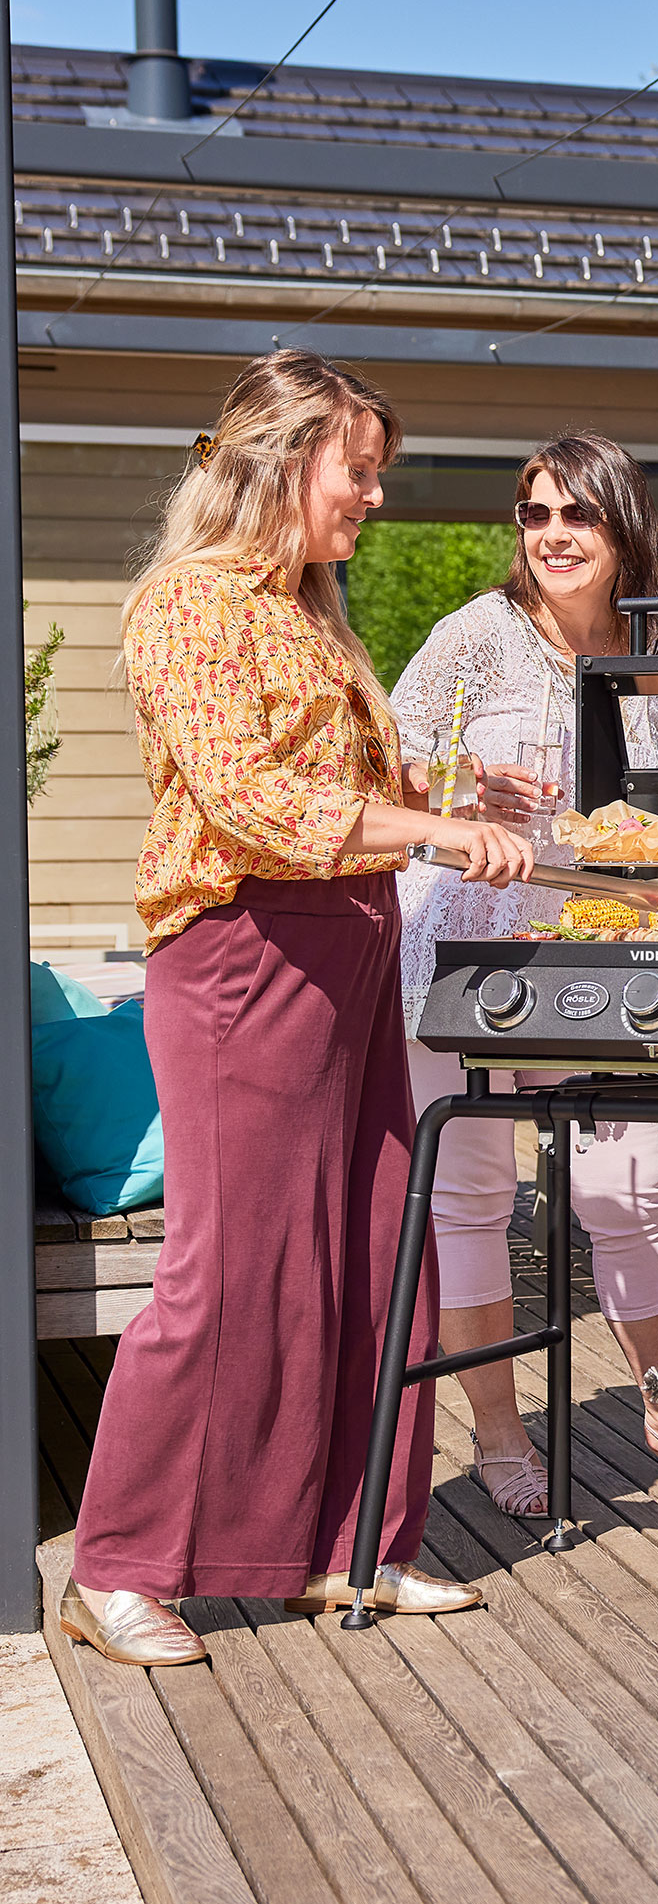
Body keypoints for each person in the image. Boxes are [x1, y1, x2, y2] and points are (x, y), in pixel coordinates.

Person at [62, 350, 537, 1668]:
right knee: (231, 1278)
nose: (375, 496)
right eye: (360, 470)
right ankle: (117, 1566)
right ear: (280, 461)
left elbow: (343, 776)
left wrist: (457, 789)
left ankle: (349, 1551)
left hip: (346, 956)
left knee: (382, 1258)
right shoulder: (185, 607)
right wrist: (434, 830)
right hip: (237, 965)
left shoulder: (313, 604)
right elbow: (253, 805)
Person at [391, 431, 658, 1508]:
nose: (553, 534)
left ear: (621, 528)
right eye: (535, 513)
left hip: (604, 943)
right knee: (471, 1197)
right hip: (466, 943)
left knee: (634, 1185)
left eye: (578, 514)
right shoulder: (471, 635)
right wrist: (464, 807)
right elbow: (389, 785)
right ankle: (500, 1436)